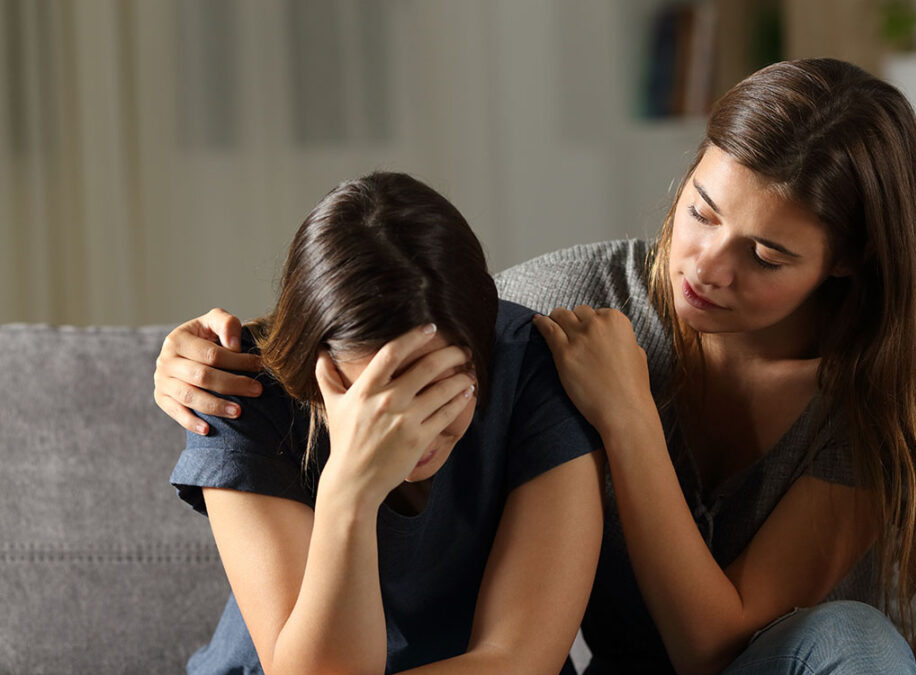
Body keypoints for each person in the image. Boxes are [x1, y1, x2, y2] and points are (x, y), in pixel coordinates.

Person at [155, 59, 916, 675]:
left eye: (765, 255)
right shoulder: (562, 306)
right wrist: (195, 357)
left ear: (847, 263)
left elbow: (713, 649)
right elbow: (407, 301)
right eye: (699, 209)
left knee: (855, 638)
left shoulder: (886, 406)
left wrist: (627, 417)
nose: (705, 266)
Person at [165, 172, 605, 674]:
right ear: (316, 367)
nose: (408, 431)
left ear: (481, 353)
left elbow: (518, 660)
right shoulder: (237, 388)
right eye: (372, 399)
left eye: (438, 393)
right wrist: (350, 487)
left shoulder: (532, 367)